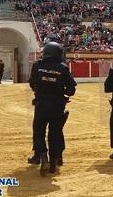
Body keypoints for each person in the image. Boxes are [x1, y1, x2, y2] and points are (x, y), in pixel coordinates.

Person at [28, 42, 77, 176]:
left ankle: (43, 157)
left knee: (38, 132)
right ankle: (53, 164)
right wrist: (63, 94)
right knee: (54, 134)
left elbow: (32, 83)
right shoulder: (63, 68)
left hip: (41, 104)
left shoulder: (37, 66)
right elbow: (71, 89)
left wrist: (40, 91)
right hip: (57, 106)